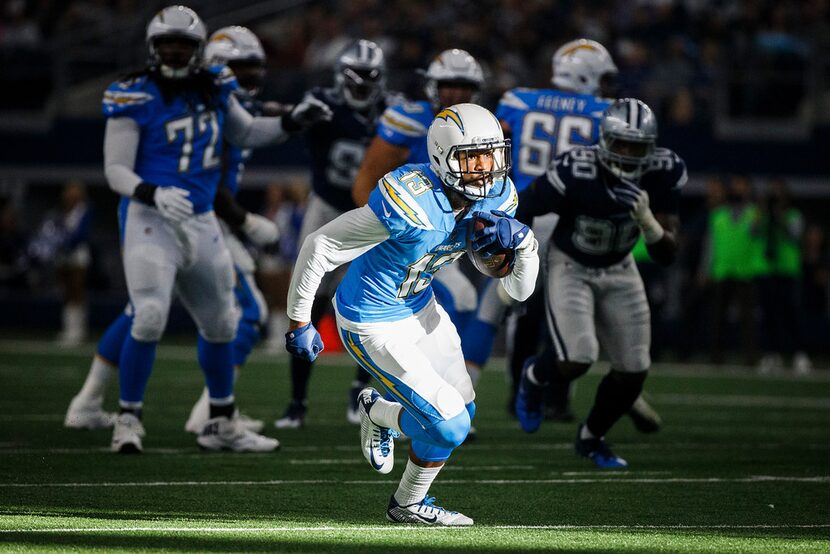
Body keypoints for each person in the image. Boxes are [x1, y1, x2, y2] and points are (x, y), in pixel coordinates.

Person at [65, 6, 331, 454]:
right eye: (166, 42)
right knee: (148, 315)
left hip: (202, 217)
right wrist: (150, 193)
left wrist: (290, 122)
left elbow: (246, 132)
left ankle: (219, 423)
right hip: (152, 217)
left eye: (183, 43)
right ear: (152, 46)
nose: (173, 50)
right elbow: (114, 169)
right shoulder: (133, 92)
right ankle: (128, 419)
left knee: (223, 322)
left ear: (196, 49)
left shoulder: (216, 86)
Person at [286, 104, 538, 525]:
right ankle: (382, 423)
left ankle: (405, 498)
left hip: (422, 309)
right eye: (471, 157)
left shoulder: (498, 197)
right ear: (442, 156)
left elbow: (516, 291)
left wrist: (525, 246)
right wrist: (299, 320)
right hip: (371, 319)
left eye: (490, 154)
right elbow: (320, 245)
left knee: (464, 411)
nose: (484, 168)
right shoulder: (411, 197)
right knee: (450, 425)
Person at [515, 99, 686, 468]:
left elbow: (667, 254)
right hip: (570, 264)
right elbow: (525, 204)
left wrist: (648, 221)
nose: (626, 154)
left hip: (620, 266)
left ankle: (592, 438)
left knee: (634, 369)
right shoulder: (576, 169)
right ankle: (534, 374)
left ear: (651, 148)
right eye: (620, 143)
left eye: (636, 146)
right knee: (577, 357)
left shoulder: (663, 170)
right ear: (604, 139)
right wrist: (520, 258)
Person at [273, 39, 402, 429]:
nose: (362, 85)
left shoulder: (393, 110)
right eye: (356, 78)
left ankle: (359, 389)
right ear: (340, 77)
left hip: (372, 212)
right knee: (310, 299)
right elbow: (291, 125)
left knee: (371, 302)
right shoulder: (323, 103)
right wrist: (299, 117)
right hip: (327, 207)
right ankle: (297, 401)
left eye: (370, 78)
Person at [351, 48, 484, 335]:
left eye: (464, 86)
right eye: (449, 85)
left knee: (450, 301)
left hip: (444, 234)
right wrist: (382, 228)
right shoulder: (409, 121)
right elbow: (366, 179)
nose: (456, 93)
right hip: (405, 230)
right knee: (452, 297)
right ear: (432, 86)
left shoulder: (478, 128)